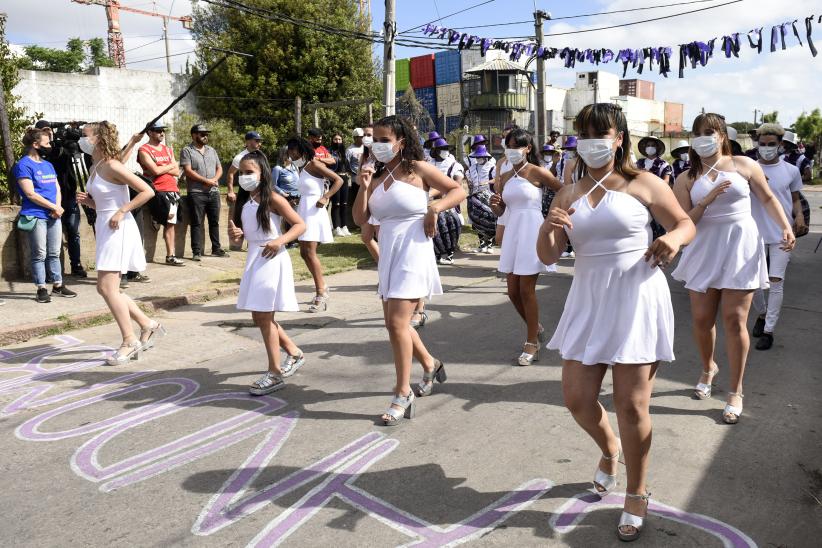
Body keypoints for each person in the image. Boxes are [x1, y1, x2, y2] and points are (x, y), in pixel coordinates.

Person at [538, 102, 696, 542]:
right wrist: (548, 226)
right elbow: (548, 256)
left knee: (631, 404)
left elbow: (684, 223)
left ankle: (637, 491)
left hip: (636, 296)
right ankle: (610, 449)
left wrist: (671, 239)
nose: (591, 141)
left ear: (618, 138)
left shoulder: (644, 183)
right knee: (577, 398)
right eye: (583, 133)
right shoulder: (567, 193)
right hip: (588, 298)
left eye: (600, 133)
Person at [671, 113, 795, 425]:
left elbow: (767, 199)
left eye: (709, 132)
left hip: (740, 245)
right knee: (701, 319)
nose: (703, 137)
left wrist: (785, 227)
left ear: (723, 135)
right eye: (697, 132)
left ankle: (735, 390)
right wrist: (707, 200)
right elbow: (682, 223)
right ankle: (707, 366)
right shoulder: (686, 177)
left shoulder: (744, 165)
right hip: (703, 248)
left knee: (735, 320)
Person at [352, 115, 465, 425]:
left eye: (385, 139)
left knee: (398, 324)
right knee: (394, 323)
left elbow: (458, 191)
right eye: (374, 139)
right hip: (389, 253)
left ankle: (402, 392)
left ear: (401, 142)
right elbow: (361, 219)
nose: (378, 144)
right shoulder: (374, 177)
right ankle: (429, 363)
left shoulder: (418, 169)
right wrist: (363, 186)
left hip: (414, 250)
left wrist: (434, 208)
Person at [75, 121, 164, 365]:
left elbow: (147, 191)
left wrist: (122, 211)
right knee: (109, 288)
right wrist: (92, 204)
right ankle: (148, 324)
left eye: (85, 135)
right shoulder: (97, 165)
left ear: (98, 139)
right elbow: (107, 198)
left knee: (106, 288)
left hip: (118, 228)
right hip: (106, 226)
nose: (81, 139)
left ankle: (129, 340)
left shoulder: (113, 165)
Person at [228, 151, 307, 395]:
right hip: (254, 258)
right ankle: (293, 352)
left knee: (263, 317)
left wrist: (279, 241)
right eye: (241, 173)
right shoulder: (241, 202)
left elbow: (300, 224)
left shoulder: (272, 198)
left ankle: (274, 373)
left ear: (262, 173)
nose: (244, 177)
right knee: (260, 317)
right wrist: (236, 237)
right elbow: (236, 244)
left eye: (249, 172)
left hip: (272, 259)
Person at [490, 128, 561, 365]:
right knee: (512, 291)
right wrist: (495, 205)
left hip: (532, 230)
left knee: (526, 290)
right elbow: (502, 210)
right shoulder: (507, 176)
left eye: (516, 146)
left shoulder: (537, 171)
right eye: (507, 146)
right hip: (513, 232)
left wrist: (554, 217)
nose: (511, 150)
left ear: (528, 148)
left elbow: (562, 190)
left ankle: (532, 342)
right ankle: (536, 326)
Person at [750, 123, 805, 351]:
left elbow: (794, 199)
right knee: (752, 283)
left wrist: (799, 216)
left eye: (771, 144)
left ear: (780, 145)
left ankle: (769, 331)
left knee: (776, 282)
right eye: (762, 144)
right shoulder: (749, 168)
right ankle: (762, 314)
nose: (766, 148)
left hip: (783, 232)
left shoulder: (791, 170)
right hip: (752, 233)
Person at [13, 128, 78, 303]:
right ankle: (41, 288)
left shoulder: (48, 164)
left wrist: (57, 207)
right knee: (39, 253)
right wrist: (53, 207)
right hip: (36, 215)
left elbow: (56, 187)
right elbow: (30, 194)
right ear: (35, 144)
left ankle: (58, 285)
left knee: (54, 252)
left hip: (53, 214)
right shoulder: (24, 165)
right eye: (47, 143)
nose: (50, 146)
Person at [288, 137, 343, 312]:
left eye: (292, 150)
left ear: (301, 150)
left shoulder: (314, 165)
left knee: (309, 252)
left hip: (314, 211)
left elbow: (338, 180)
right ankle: (322, 287)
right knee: (304, 252)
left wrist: (326, 196)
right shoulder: (301, 167)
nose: (290, 154)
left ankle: (321, 291)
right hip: (304, 209)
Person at [137, 122, 184, 266]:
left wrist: (162, 167)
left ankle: (170, 256)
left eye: (163, 130)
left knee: (171, 223)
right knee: (169, 221)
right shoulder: (144, 149)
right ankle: (156, 218)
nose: (162, 133)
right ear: (149, 132)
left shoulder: (168, 149)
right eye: (158, 131)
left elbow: (177, 171)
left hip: (173, 190)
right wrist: (170, 166)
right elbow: (154, 172)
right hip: (158, 190)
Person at [181, 124, 226, 261]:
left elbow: (219, 168)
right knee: (196, 222)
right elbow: (188, 171)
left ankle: (216, 249)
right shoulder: (187, 150)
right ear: (194, 135)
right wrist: (205, 180)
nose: (205, 136)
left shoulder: (212, 150)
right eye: (202, 134)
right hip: (196, 192)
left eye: (206, 134)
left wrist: (213, 180)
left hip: (213, 191)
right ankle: (196, 251)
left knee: (214, 222)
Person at [429, 138, 464, 265]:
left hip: (448, 201)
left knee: (448, 225)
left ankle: (449, 253)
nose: (445, 151)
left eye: (446, 149)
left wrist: (437, 192)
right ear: (436, 151)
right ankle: (437, 253)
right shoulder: (429, 164)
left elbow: (457, 184)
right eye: (442, 149)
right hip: (431, 201)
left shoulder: (454, 165)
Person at [465, 144, 498, 253]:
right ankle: (481, 244)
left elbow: (497, 179)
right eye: (477, 157)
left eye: (481, 157)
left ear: (485, 157)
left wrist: (487, 182)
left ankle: (490, 244)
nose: (479, 159)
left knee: (489, 220)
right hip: (475, 196)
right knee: (476, 220)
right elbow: (469, 181)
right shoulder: (471, 169)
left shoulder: (492, 167)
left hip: (488, 196)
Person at [329, 133, 351, 236]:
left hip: (345, 179)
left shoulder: (344, 153)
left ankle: (344, 226)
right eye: (335, 139)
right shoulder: (329, 153)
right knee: (336, 204)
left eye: (339, 139)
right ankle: (336, 227)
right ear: (332, 140)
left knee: (344, 204)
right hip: (335, 179)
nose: (337, 141)